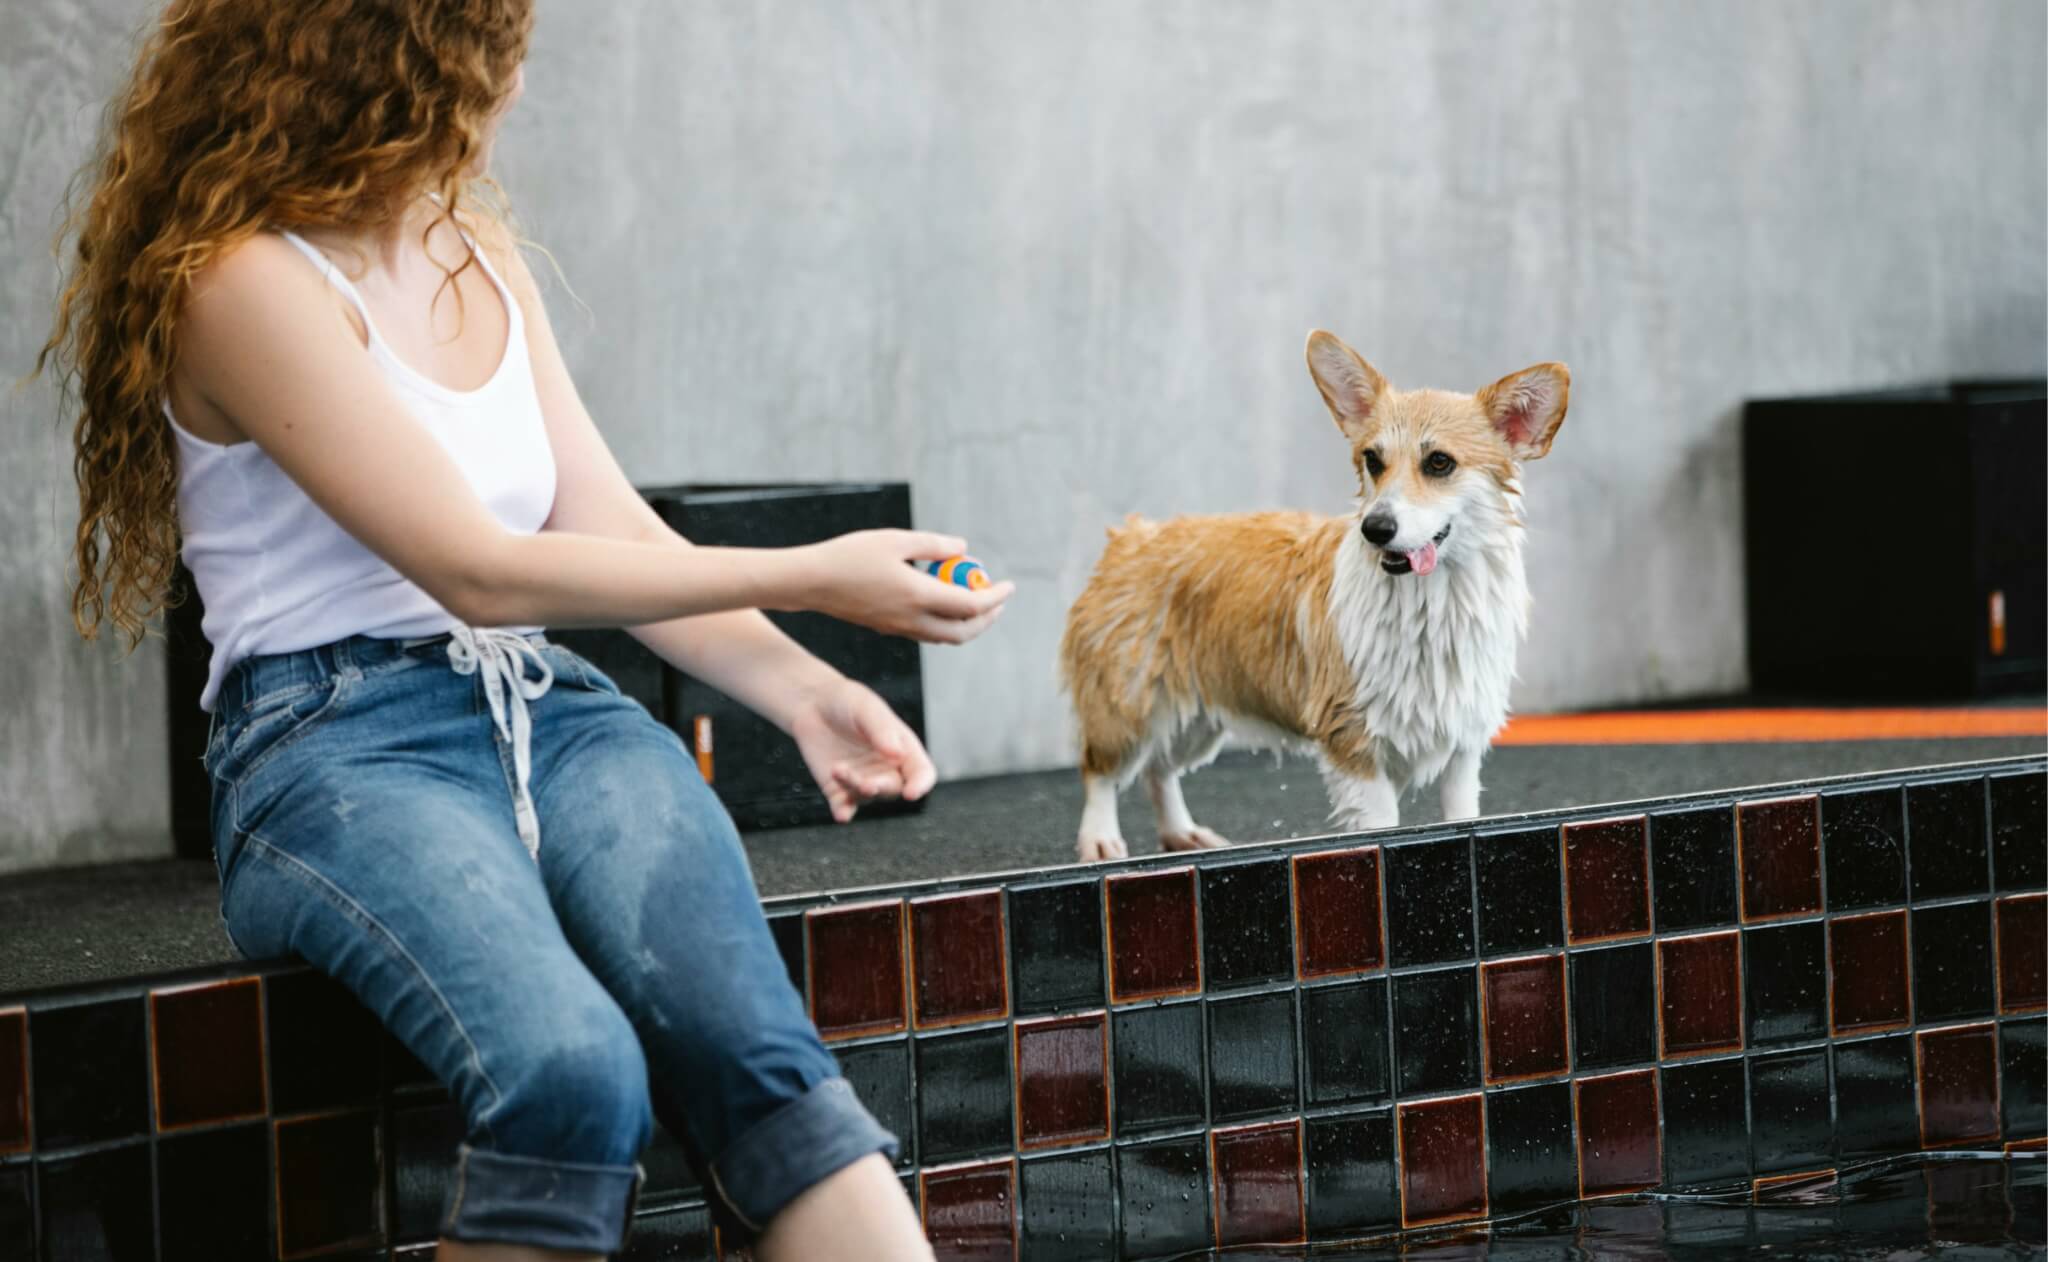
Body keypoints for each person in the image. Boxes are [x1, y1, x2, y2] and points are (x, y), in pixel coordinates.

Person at [39, 2, 1012, 1257]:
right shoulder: (240, 282)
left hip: (550, 714)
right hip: (337, 749)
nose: (501, 103)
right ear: (393, 71)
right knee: (568, 1070)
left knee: (758, 1056)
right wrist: (824, 569)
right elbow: (479, 568)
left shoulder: (471, 251)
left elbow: (609, 528)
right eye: (483, 73)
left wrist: (802, 685)